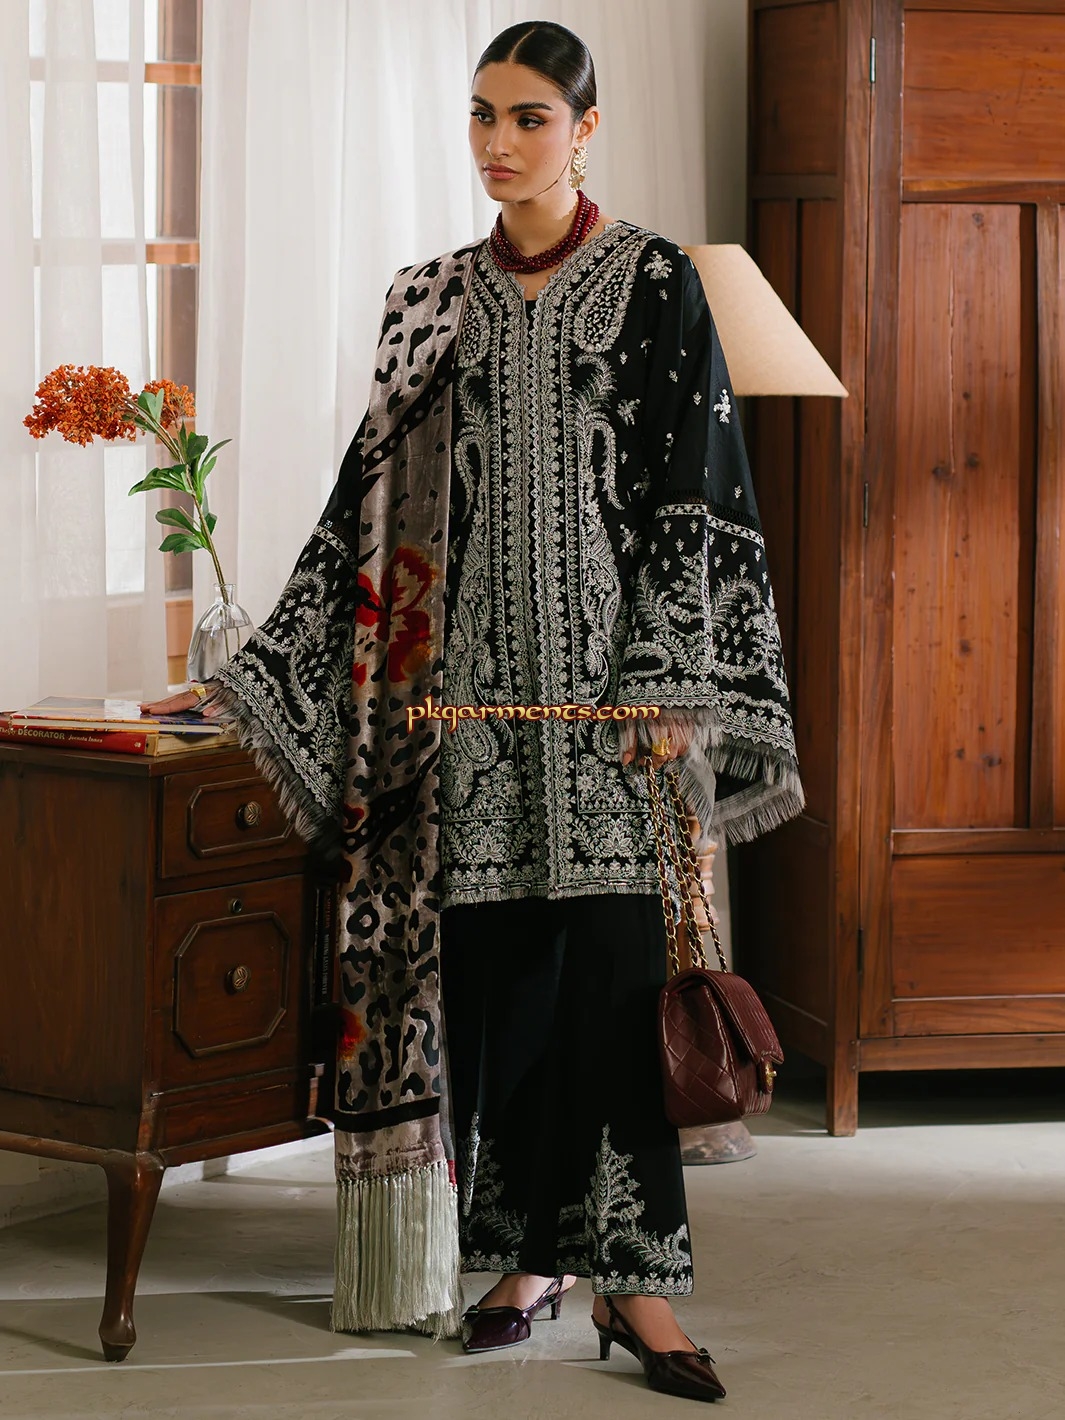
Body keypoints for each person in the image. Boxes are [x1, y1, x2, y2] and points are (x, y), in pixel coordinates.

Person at [147, 21, 802, 1404]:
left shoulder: (657, 286)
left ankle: (634, 1287)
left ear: (585, 128)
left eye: (528, 118)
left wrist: (665, 683)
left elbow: (694, 491)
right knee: (501, 1007)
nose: (498, 144)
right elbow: (366, 502)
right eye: (481, 116)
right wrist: (270, 662)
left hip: (608, 720)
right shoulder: (428, 301)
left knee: (613, 999)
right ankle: (523, 1261)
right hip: (464, 724)